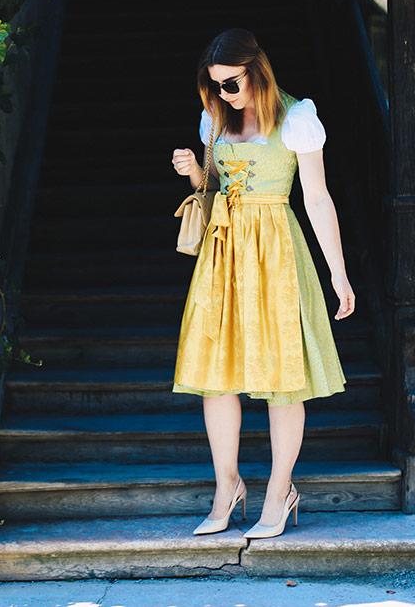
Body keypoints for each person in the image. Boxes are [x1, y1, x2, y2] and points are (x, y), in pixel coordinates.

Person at [170, 28, 355, 539]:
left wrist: (338, 273)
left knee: (282, 376)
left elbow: (317, 199)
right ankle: (226, 487)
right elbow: (212, 191)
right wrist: (192, 172)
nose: (224, 94)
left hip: (276, 249)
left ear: (258, 71)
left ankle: (279, 491)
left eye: (231, 84)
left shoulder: (297, 120)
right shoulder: (214, 120)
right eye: (215, 86)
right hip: (223, 253)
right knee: (215, 374)